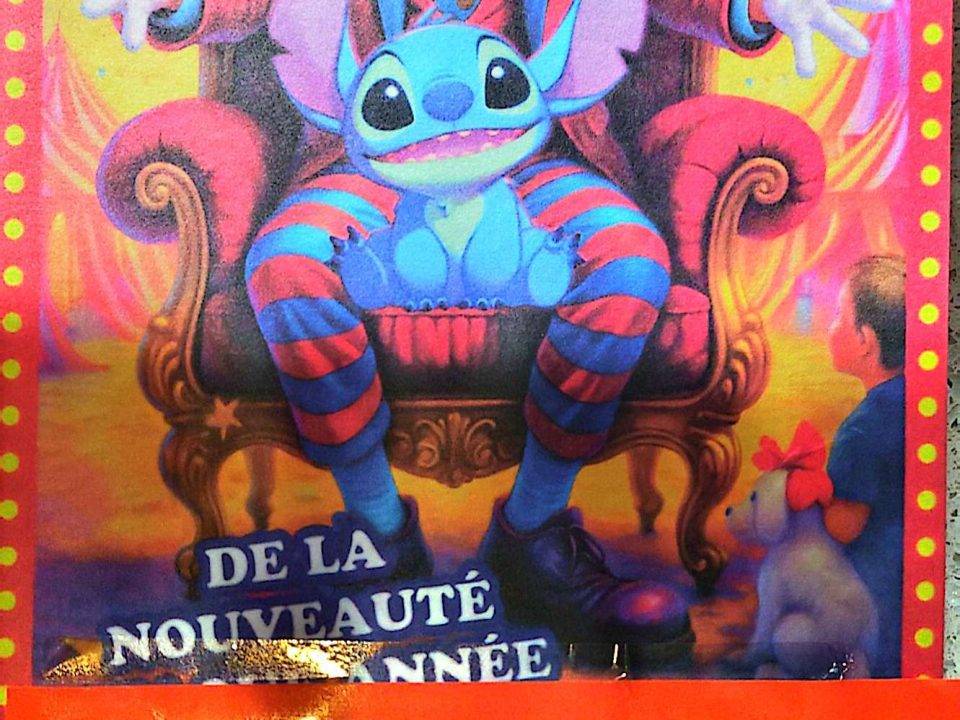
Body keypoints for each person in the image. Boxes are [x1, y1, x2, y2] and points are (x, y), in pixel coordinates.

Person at [82, 0, 893, 656]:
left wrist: (755, 8)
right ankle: (378, 534)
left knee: (631, 263)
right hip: (370, 158)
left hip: (538, 155)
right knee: (286, 265)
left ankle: (534, 534)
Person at [823, 254, 905, 678]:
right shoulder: (912, 400)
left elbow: (844, 526)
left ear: (865, 341)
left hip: (877, 589)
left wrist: (811, 497)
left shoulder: (861, 429)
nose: (830, 326)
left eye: (839, 315)